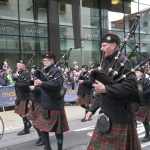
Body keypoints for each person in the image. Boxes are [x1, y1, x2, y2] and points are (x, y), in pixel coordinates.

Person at [86, 34, 141, 150]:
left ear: (113, 46)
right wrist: (91, 110)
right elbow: (99, 90)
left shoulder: (123, 61)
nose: (101, 49)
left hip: (121, 117)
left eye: (104, 46)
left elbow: (131, 87)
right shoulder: (104, 63)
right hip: (105, 115)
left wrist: (107, 89)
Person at [34, 52, 69, 150]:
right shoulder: (43, 71)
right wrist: (35, 86)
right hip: (45, 104)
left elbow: (58, 85)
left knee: (58, 131)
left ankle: (59, 148)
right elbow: (43, 88)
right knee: (42, 129)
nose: (44, 62)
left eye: (46, 60)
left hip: (55, 105)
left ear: (52, 61)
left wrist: (42, 83)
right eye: (43, 60)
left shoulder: (56, 71)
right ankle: (48, 148)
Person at [13, 59, 31, 135]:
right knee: (19, 112)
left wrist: (16, 83)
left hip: (24, 95)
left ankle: (26, 129)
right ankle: (28, 123)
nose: (17, 66)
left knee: (23, 113)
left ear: (23, 66)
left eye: (18, 65)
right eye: (17, 65)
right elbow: (14, 80)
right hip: (19, 95)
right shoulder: (18, 72)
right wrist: (15, 77)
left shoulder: (26, 73)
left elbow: (26, 85)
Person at [27, 65, 44, 146]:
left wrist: (35, 88)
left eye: (33, 71)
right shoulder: (33, 78)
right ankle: (40, 136)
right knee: (31, 120)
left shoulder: (43, 78)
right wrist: (29, 101)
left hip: (41, 102)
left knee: (39, 122)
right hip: (34, 102)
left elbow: (46, 89)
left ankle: (43, 138)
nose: (32, 72)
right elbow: (30, 90)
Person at [134, 67, 150, 142]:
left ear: (142, 73)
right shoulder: (132, 80)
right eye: (135, 72)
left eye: (137, 72)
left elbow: (149, 90)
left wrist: (141, 94)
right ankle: (133, 135)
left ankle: (148, 135)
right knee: (132, 119)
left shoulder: (146, 80)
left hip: (144, 103)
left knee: (144, 120)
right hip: (134, 103)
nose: (136, 73)